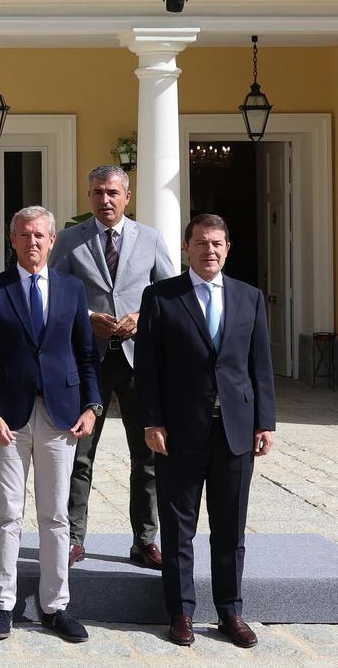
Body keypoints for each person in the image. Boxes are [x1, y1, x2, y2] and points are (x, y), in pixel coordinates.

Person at [134, 213, 275, 649]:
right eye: (201, 243)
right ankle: (181, 612)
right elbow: (148, 369)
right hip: (178, 431)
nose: (209, 250)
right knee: (179, 527)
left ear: (228, 248)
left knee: (231, 526)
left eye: (217, 243)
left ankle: (230, 610)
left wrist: (265, 421)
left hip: (235, 429)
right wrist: (151, 421)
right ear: (186, 248)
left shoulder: (248, 297)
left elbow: (260, 366)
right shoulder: (160, 297)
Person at [0, 206, 102, 644]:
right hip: (6, 419)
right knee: (7, 514)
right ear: (12, 240)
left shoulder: (71, 289)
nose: (32, 242)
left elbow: (85, 354)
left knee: (55, 515)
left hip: (61, 417)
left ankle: (55, 605)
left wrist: (93, 405)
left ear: (52, 239)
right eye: (24, 235)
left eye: (39, 235)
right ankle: (2, 604)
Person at [51, 165, 177, 570]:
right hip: (89, 361)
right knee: (79, 454)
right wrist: (86, 316)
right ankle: (72, 538)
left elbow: (170, 295)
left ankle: (145, 540)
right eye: (96, 193)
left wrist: (143, 316)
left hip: (141, 361)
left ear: (127, 195)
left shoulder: (151, 238)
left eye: (111, 193)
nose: (104, 200)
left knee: (147, 455)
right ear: (88, 197)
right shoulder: (71, 240)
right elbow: (51, 294)